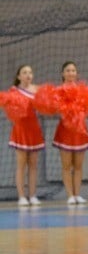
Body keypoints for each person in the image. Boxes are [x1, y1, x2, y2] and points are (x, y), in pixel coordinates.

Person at [37, 61, 88, 206]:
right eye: (68, 71)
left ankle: (77, 194)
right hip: (65, 130)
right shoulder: (58, 91)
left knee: (78, 166)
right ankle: (70, 195)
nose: (71, 73)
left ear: (77, 73)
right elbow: (52, 108)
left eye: (73, 71)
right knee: (66, 165)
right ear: (63, 74)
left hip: (80, 130)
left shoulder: (84, 91)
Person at [0, 65, 44, 206]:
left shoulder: (37, 89)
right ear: (19, 76)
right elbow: (9, 109)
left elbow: (45, 107)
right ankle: (21, 196)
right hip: (21, 129)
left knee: (33, 165)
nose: (28, 75)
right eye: (24, 72)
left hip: (34, 129)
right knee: (21, 165)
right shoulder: (13, 91)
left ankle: (32, 195)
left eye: (30, 72)